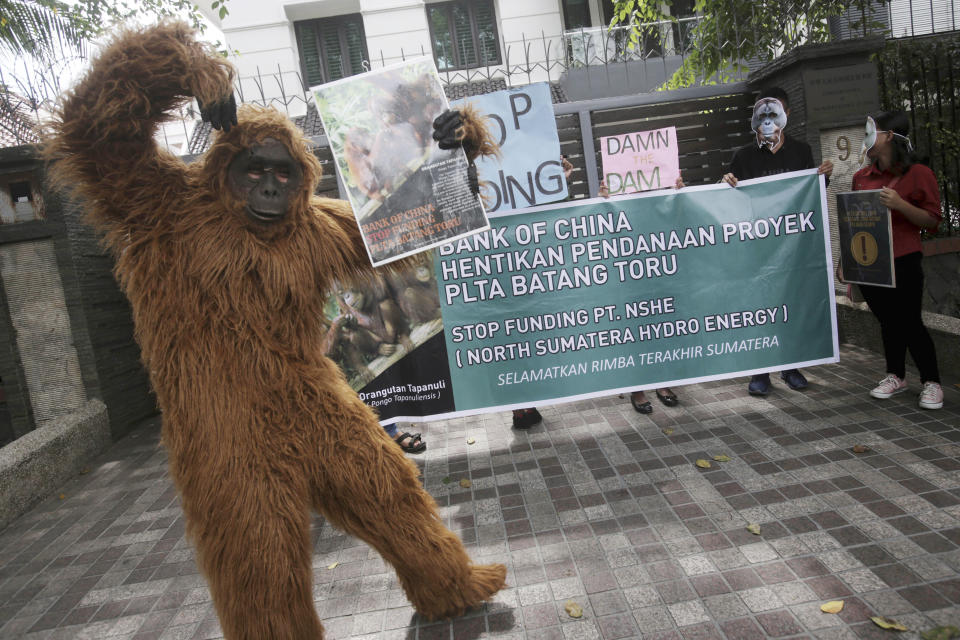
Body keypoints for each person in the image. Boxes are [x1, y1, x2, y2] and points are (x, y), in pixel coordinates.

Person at [722, 86, 834, 397]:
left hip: (791, 248)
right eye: (763, 114)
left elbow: (809, 196)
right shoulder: (742, 157)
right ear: (755, 118)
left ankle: (791, 366)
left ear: (786, 116)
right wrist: (725, 183)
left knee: (791, 305)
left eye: (775, 113)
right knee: (760, 308)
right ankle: (760, 373)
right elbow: (727, 197)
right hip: (757, 250)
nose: (769, 119)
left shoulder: (801, 151)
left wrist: (823, 177)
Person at [847, 110, 943, 409]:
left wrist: (900, 204)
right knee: (888, 322)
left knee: (910, 321)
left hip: (904, 258)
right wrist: (846, 263)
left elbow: (932, 220)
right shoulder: (861, 177)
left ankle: (932, 382)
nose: (866, 139)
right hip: (870, 262)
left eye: (871, 132)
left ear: (889, 136)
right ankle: (896, 375)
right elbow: (852, 222)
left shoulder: (918, 173)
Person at [598, 176, 684, 414]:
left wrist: (679, 193)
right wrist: (604, 200)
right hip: (628, 273)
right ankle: (638, 389)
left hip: (660, 268)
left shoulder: (663, 193)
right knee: (635, 334)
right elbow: (603, 225)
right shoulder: (616, 195)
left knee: (661, 329)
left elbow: (679, 219)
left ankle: (662, 384)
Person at [511, 155, 577, 429]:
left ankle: (523, 403)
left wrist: (560, 184)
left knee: (527, 338)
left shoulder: (532, 184)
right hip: (511, 269)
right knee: (515, 339)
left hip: (532, 270)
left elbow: (558, 220)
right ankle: (520, 404)